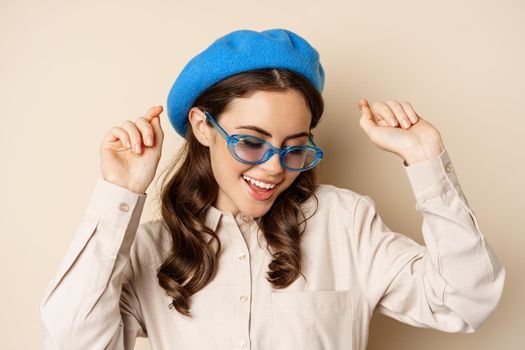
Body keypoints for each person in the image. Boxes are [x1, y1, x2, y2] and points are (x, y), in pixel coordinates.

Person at [39, 28, 505, 350]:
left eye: (294, 147)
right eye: (251, 142)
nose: (274, 168)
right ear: (203, 127)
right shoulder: (153, 245)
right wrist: (119, 194)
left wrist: (427, 162)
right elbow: (72, 341)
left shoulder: (346, 221)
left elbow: (466, 301)